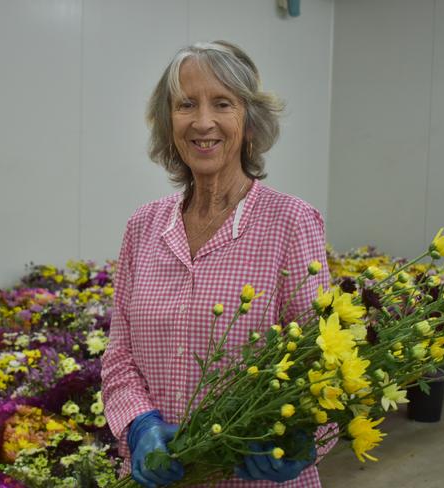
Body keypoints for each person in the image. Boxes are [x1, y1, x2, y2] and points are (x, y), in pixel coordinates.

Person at [101, 41, 335, 487]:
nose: (203, 121)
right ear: (169, 123)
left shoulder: (291, 223)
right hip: (163, 477)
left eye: (222, 103)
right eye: (186, 104)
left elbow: (323, 360)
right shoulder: (143, 227)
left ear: (249, 122)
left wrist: (304, 436)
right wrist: (140, 425)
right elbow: (120, 356)